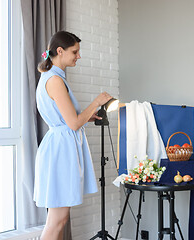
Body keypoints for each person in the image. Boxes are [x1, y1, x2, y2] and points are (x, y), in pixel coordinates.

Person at [33, 31, 113, 240]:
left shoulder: (53, 77)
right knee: (57, 220)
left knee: (60, 218)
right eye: (75, 52)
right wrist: (96, 102)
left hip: (60, 147)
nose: (78, 56)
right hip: (60, 151)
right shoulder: (54, 81)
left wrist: (88, 116)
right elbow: (73, 123)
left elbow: (68, 119)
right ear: (60, 51)